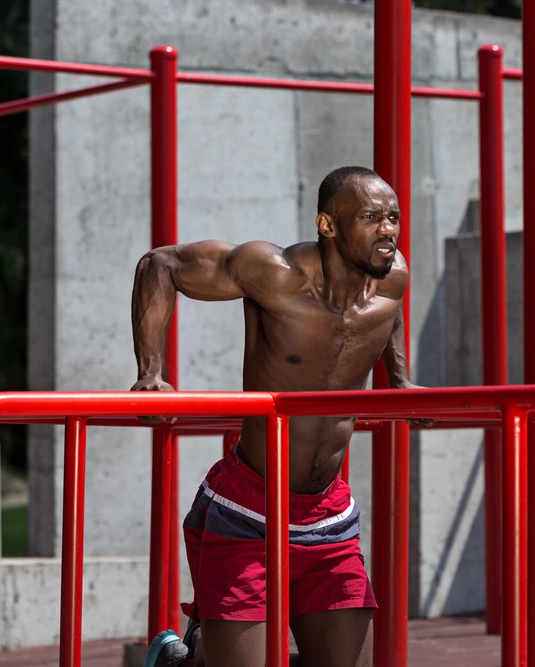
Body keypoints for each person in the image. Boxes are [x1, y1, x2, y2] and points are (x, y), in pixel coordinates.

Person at [131, 166, 422, 667]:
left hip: (327, 515)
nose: (389, 230)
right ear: (327, 225)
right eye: (372, 218)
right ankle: (185, 658)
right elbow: (161, 265)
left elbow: (386, 316)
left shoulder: (392, 275)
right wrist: (151, 374)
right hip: (248, 509)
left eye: (393, 217)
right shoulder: (274, 273)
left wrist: (400, 381)